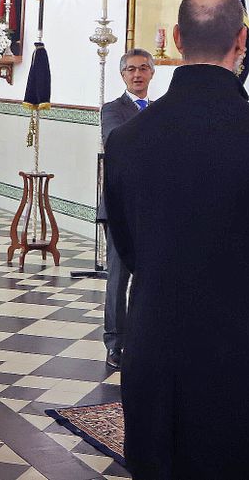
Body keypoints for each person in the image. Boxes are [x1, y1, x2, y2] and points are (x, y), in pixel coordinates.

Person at [104, 0, 249, 480]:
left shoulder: (128, 140)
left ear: (177, 40)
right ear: (241, 42)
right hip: (248, 345)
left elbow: (128, 242)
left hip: (158, 337)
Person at [97, 47, 155, 370]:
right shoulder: (112, 110)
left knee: (148, 279)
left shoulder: (161, 110)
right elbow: (116, 144)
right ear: (122, 75)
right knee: (118, 279)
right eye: (131, 69)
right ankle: (115, 343)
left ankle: (141, 339)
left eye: (143, 68)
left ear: (151, 74)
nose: (137, 74)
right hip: (120, 209)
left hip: (151, 211)